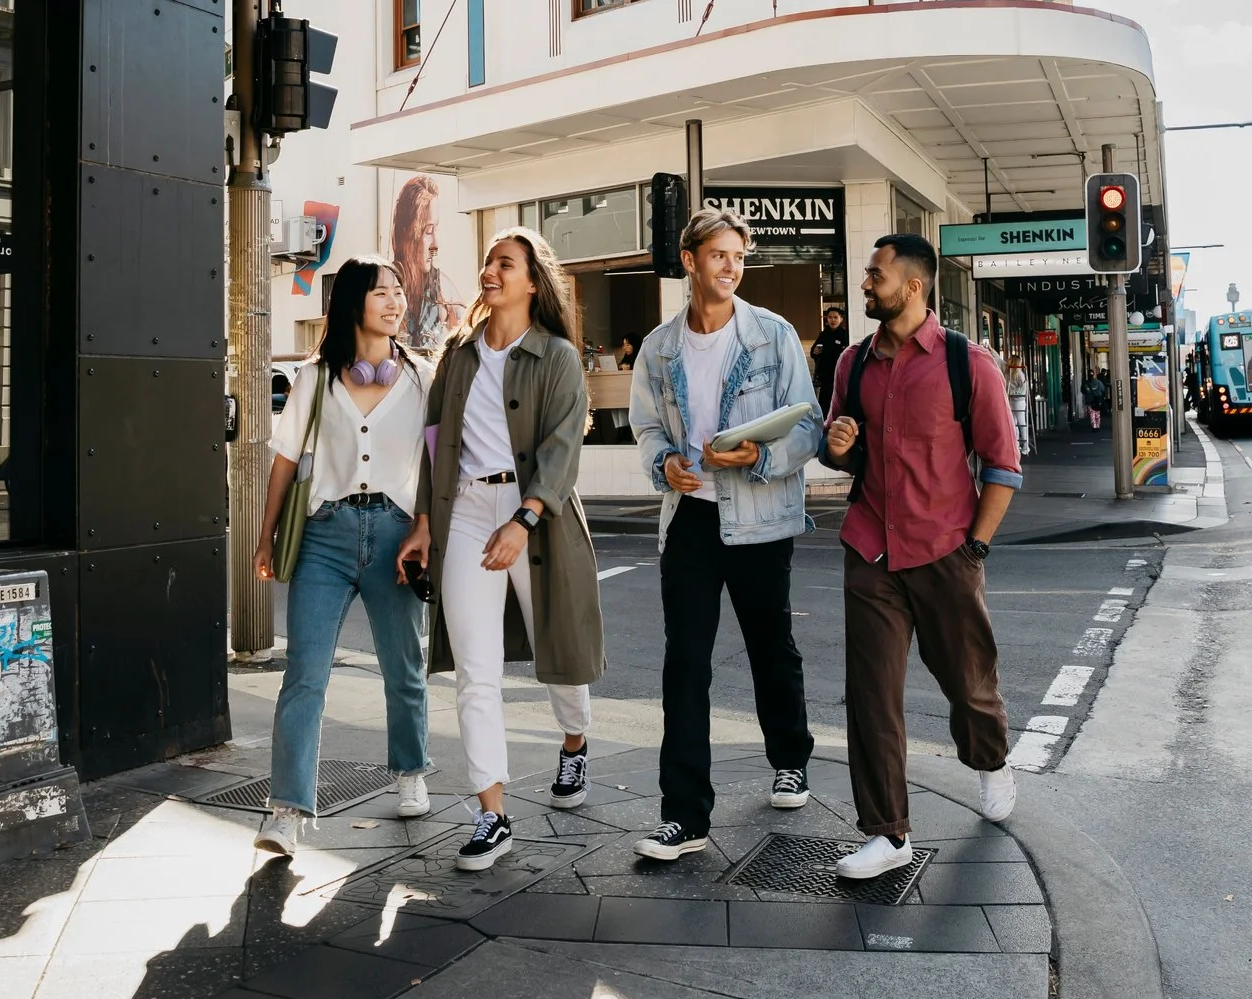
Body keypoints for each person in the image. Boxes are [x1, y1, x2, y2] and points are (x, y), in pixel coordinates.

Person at [400, 227, 604, 872]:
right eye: (488, 260)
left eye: (505, 263)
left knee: (559, 652)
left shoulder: (557, 357)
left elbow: (562, 448)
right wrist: (427, 522)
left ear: (533, 281)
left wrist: (524, 518)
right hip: (463, 511)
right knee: (474, 673)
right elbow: (435, 441)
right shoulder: (459, 355)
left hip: (534, 512)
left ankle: (574, 742)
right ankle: (493, 815)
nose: (490, 271)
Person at [821, 233, 1023, 880]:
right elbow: (836, 454)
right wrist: (839, 442)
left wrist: (977, 546)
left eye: (874, 274)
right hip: (872, 548)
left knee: (969, 686)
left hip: (944, 550)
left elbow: (1003, 465)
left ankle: (990, 760)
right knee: (872, 696)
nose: (864, 284)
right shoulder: (853, 364)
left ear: (913, 285)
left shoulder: (968, 363)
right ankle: (887, 832)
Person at [625, 209, 824, 862]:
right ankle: (684, 816)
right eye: (718, 255)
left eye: (739, 255)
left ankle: (789, 755)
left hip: (761, 514)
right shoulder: (659, 347)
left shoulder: (772, 335)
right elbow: (648, 426)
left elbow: (807, 426)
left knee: (772, 645)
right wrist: (665, 464)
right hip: (691, 519)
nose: (732, 266)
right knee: (685, 663)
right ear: (690, 260)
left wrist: (759, 458)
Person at [253, 257, 434, 857]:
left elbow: (438, 462)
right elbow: (284, 461)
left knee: (403, 666)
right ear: (354, 302)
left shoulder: (422, 377)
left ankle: (410, 771)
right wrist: (266, 535)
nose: (394, 300)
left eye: (399, 291)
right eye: (381, 291)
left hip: (395, 534)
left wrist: (427, 526)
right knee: (304, 673)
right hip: (324, 535)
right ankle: (286, 809)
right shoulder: (314, 377)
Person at [390, 174, 454, 352]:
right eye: (428, 231)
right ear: (407, 233)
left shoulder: (445, 292)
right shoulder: (383, 285)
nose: (436, 245)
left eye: (436, 229)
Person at [810, 305, 849, 396]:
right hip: (825, 376)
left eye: (835, 317)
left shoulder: (845, 335)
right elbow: (813, 353)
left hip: (839, 374)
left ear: (841, 319)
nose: (833, 320)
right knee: (825, 403)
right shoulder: (823, 335)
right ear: (827, 319)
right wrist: (815, 352)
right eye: (830, 317)